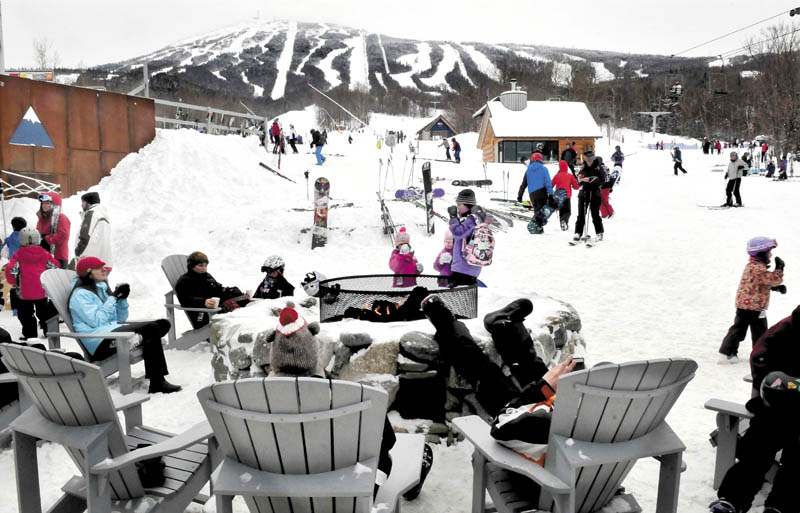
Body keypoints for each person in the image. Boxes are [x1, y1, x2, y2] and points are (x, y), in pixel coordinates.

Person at [422, 295, 577, 476]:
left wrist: (542, 389)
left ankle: (448, 324)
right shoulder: (608, 429)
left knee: (484, 372)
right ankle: (504, 325)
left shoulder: (551, 431)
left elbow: (503, 424)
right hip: (557, 415)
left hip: (527, 425)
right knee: (530, 367)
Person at [710, 304, 800, 513]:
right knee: (757, 449)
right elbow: (760, 354)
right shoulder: (789, 328)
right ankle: (732, 500)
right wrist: (772, 382)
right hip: (776, 405)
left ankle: (780, 506)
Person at [69, 256, 181, 393]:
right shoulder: (79, 295)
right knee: (151, 330)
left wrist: (122, 300)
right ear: (88, 272)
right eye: (99, 268)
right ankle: (157, 381)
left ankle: (137, 339)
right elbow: (97, 321)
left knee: (163, 324)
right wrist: (113, 298)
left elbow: (120, 318)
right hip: (99, 342)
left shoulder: (100, 289)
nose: (104, 270)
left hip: (113, 332)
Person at [718, 237, 784, 363]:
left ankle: (729, 353)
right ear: (761, 253)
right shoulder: (757, 268)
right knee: (758, 333)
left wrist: (776, 288)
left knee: (740, 329)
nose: (770, 255)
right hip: (753, 307)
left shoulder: (754, 266)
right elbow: (770, 279)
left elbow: (758, 284)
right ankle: (758, 356)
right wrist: (779, 269)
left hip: (748, 306)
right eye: (769, 252)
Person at [5, 228, 59, 340]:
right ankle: (48, 331)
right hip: (41, 290)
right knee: (43, 312)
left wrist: (13, 282)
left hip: (24, 292)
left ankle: (30, 334)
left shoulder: (18, 254)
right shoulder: (44, 254)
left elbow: (11, 269)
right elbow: (54, 267)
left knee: (25, 315)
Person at [175, 251, 249, 329]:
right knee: (233, 309)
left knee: (238, 295)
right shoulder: (185, 281)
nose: (204, 268)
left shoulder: (207, 276)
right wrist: (203, 302)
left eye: (205, 265)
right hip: (202, 315)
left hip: (215, 308)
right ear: (191, 266)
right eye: (200, 266)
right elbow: (184, 299)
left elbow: (218, 289)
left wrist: (234, 293)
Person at [446, 189, 486, 286]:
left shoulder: (472, 219)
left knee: (455, 298)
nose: (457, 207)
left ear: (467, 205)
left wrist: (453, 217)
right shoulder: (474, 220)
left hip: (464, 269)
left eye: (459, 205)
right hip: (467, 267)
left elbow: (458, 232)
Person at [571, 151, 605, 244]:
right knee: (581, 214)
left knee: (595, 213)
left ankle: (599, 232)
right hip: (584, 193)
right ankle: (578, 232)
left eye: (590, 160)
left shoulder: (599, 167)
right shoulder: (583, 167)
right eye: (587, 160)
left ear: (594, 159)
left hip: (595, 193)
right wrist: (579, 178)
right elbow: (580, 181)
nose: (589, 162)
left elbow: (603, 180)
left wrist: (591, 179)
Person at [516, 153, 554, 233]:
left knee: (537, 211)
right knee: (542, 212)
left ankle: (539, 229)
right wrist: (551, 194)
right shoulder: (543, 169)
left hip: (532, 194)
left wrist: (520, 195)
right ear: (540, 159)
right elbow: (548, 182)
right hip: (542, 192)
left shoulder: (528, 170)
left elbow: (524, 184)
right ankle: (537, 226)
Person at [74, 191, 112, 267]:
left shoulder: (91, 214)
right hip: (105, 263)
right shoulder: (104, 216)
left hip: (91, 264)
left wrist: (78, 252)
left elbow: (85, 236)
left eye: (83, 202)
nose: (81, 204)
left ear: (89, 203)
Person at [36, 192, 71, 269]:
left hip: (58, 256)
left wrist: (46, 239)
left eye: (47, 203)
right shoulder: (42, 219)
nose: (44, 205)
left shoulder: (61, 218)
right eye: (43, 203)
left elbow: (63, 235)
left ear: (55, 204)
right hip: (43, 254)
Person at [3, 217, 28, 316]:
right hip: (26, 266)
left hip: (14, 266)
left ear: (13, 227)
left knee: (14, 286)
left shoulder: (9, 239)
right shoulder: (28, 238)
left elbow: (4, 252)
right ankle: (27, 305)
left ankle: (16, 309)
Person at [551, 160, 579, 231]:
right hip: (567, 196)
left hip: (558, 196)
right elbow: (576, 187)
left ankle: (562, 224)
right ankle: (564, 221)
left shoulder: (557, 175)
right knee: (567, 211)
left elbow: (551, 185)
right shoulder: (570, 176)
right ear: (567, 167)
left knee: (561, 211)